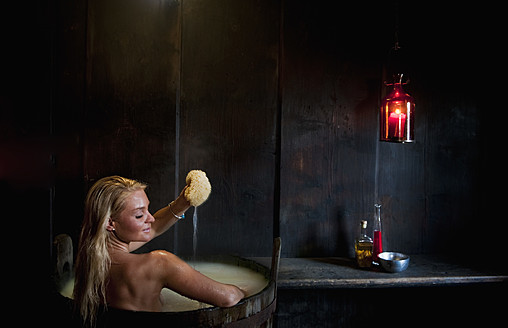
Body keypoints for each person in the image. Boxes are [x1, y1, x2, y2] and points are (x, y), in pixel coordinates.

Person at [73, 176, 245, 325]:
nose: (151, 218)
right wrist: (248, 289)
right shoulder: (158, 263)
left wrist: (182, 203)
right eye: (139, 215)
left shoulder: (90, 255)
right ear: (110, 223)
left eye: (148, 209)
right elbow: (228, 298)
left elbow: (153, 227)